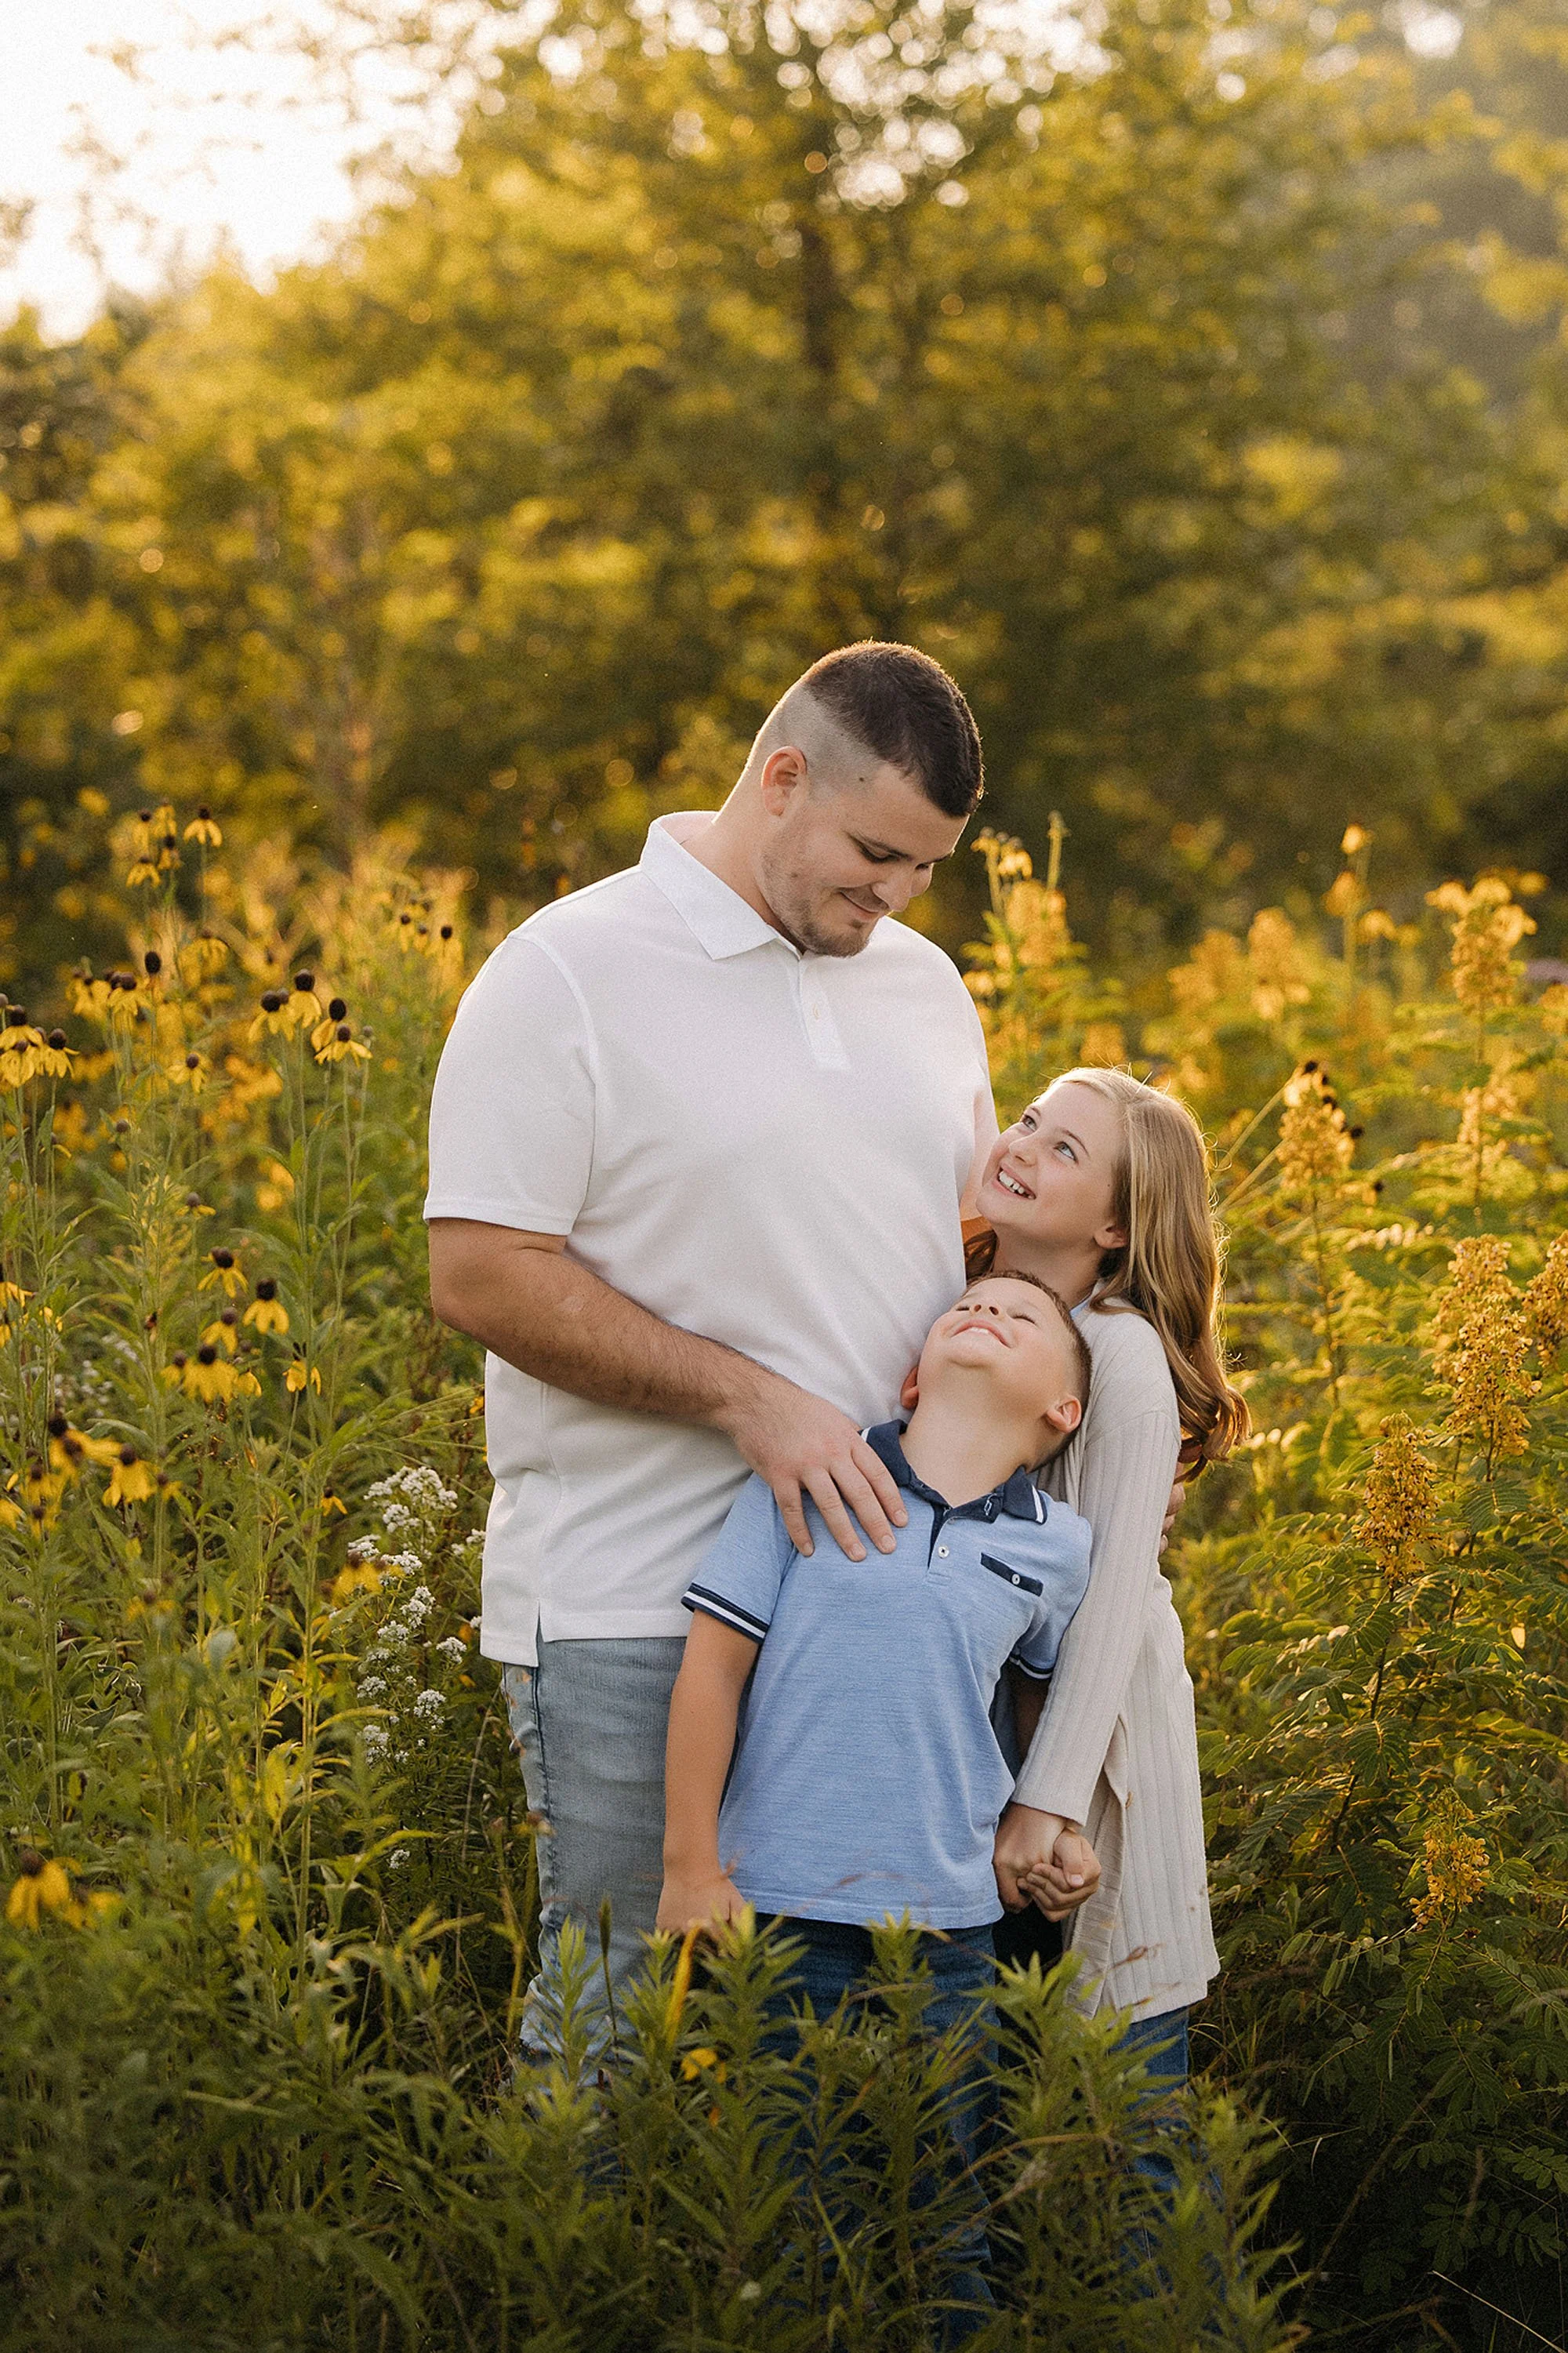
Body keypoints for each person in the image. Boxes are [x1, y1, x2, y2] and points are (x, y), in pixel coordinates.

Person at [425, 641, 1015, 2056]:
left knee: (839, 2038)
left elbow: (970, 1252)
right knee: (617, 2008)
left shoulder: (925, 987)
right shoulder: (564, 969)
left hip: (875, 1613)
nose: (894, 900)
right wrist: (755, 1404)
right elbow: (479, 1273)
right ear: (782, 777)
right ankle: (565, 2284)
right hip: (634, 1597)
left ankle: (759, 2287)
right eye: (875, 854)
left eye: (926, 869)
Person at [657, 1268, 1098, 2332]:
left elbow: (1032, 1709)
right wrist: (690, 1866)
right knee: (792, 2217)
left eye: (1024, 1315)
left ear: (1063, 1412)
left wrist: (1049, 1828)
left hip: (947, 1934)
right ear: (913, 1376)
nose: (987, 1310)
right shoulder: (817, 1475)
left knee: (945, 2215)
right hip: (780, 1916)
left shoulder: (1058, 1547)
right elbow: (711, 1672)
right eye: (968, 1304)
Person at [974, 1067, 1249, 2094]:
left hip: (1096, 1767)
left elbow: (1113, 1603)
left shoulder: (1121, 1354)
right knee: (1008, 2114)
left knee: (1120, 2133)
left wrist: (1048, 1804)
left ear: (1120, 1230)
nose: (1024, 1146)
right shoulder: (976, 1309)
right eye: (1030, 1121)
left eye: (1065, 1152)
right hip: (994, 1757)